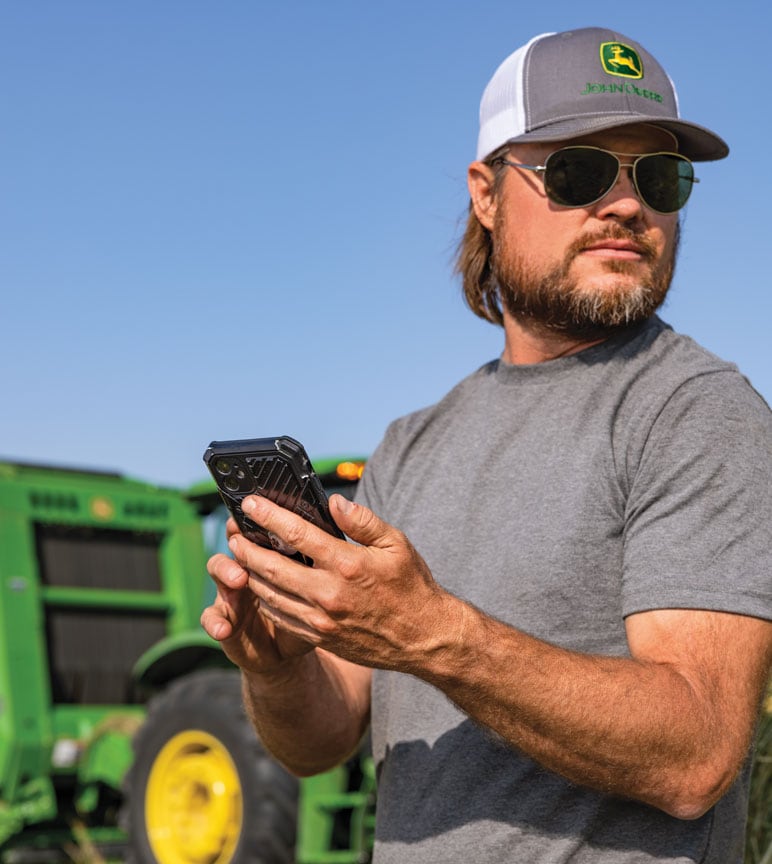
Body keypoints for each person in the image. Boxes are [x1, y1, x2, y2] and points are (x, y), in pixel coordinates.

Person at [202, 27, 772, 863]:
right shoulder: (411, 443)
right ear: (487, 192)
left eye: (659, 177)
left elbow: (696, 754)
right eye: (579, 171)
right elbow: (320, 742)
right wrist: (278, 667)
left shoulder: (696, 412)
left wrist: (433, 632)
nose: (627, 206)